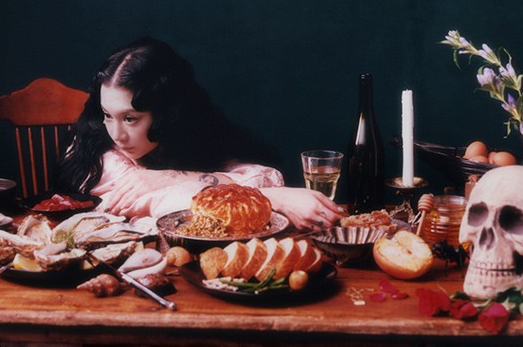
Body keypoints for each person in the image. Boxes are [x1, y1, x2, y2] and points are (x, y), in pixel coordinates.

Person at [55, 37, 343, 230]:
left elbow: (266, 175)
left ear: (167, 113)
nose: (116, 133)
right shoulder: (91, 150)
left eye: (130, 119)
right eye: (107, 114)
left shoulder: (189, 138)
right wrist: (274, 199)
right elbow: (168, 203)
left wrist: (166, 177)